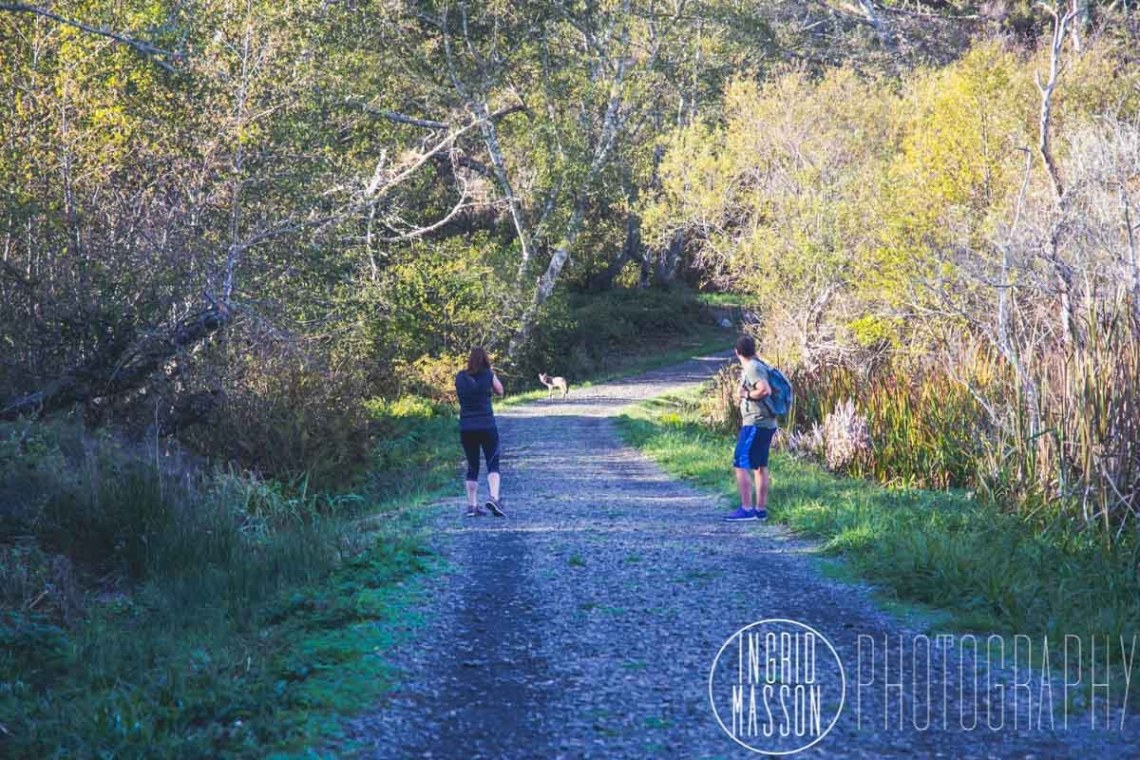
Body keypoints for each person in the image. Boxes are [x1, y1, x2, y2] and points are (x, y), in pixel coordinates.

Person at [724, 335, 777, 522]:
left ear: (737, 352)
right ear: (754, 349)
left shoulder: (753, 368)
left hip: (755, 423)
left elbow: (764, 390)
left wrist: (746, 394)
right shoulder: (759, 365)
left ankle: (747, 509)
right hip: (766, 423)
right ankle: (760, 510)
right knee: (760, 466)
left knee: (740, 463)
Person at [455, 347, 506, 517]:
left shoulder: (460, 377)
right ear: (485, 359)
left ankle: (472, 506)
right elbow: (500, 391)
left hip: (466, 427)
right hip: (486, 425)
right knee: (493, 462)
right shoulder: (489, 374)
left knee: (472, 465)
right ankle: (494, 498)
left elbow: (461, 395)